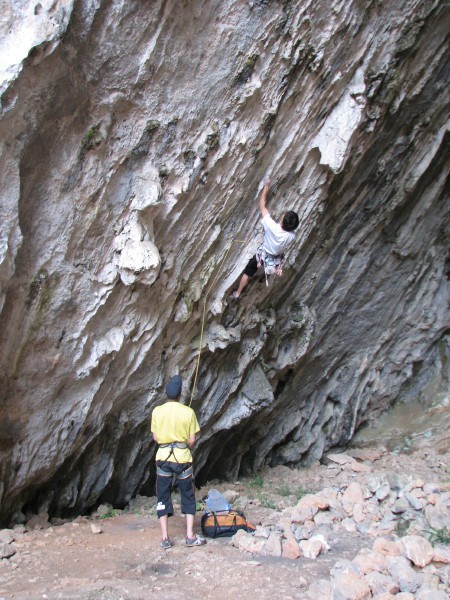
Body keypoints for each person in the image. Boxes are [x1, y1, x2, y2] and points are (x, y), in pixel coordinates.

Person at [151, 374, 206, 549]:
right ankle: (190, 536)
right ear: (180, 394)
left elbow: (156, 437)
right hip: (183, 459)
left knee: (163, 496)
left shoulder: (157, 411)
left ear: (166, 393)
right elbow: (192, 440)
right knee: (188, 495)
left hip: (163, 458)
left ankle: (165, 538)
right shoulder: (188, 412)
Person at [233, 178, 299, 298]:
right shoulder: (292, 236)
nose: (283, 214)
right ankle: (267, 271)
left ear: (283, 221)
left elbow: (262, 206)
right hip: (275, 258)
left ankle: (238, 293)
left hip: (263, 253)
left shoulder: (271, 226)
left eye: (285, 215)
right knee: (270, 263)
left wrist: (266, 187)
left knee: (248, 273)